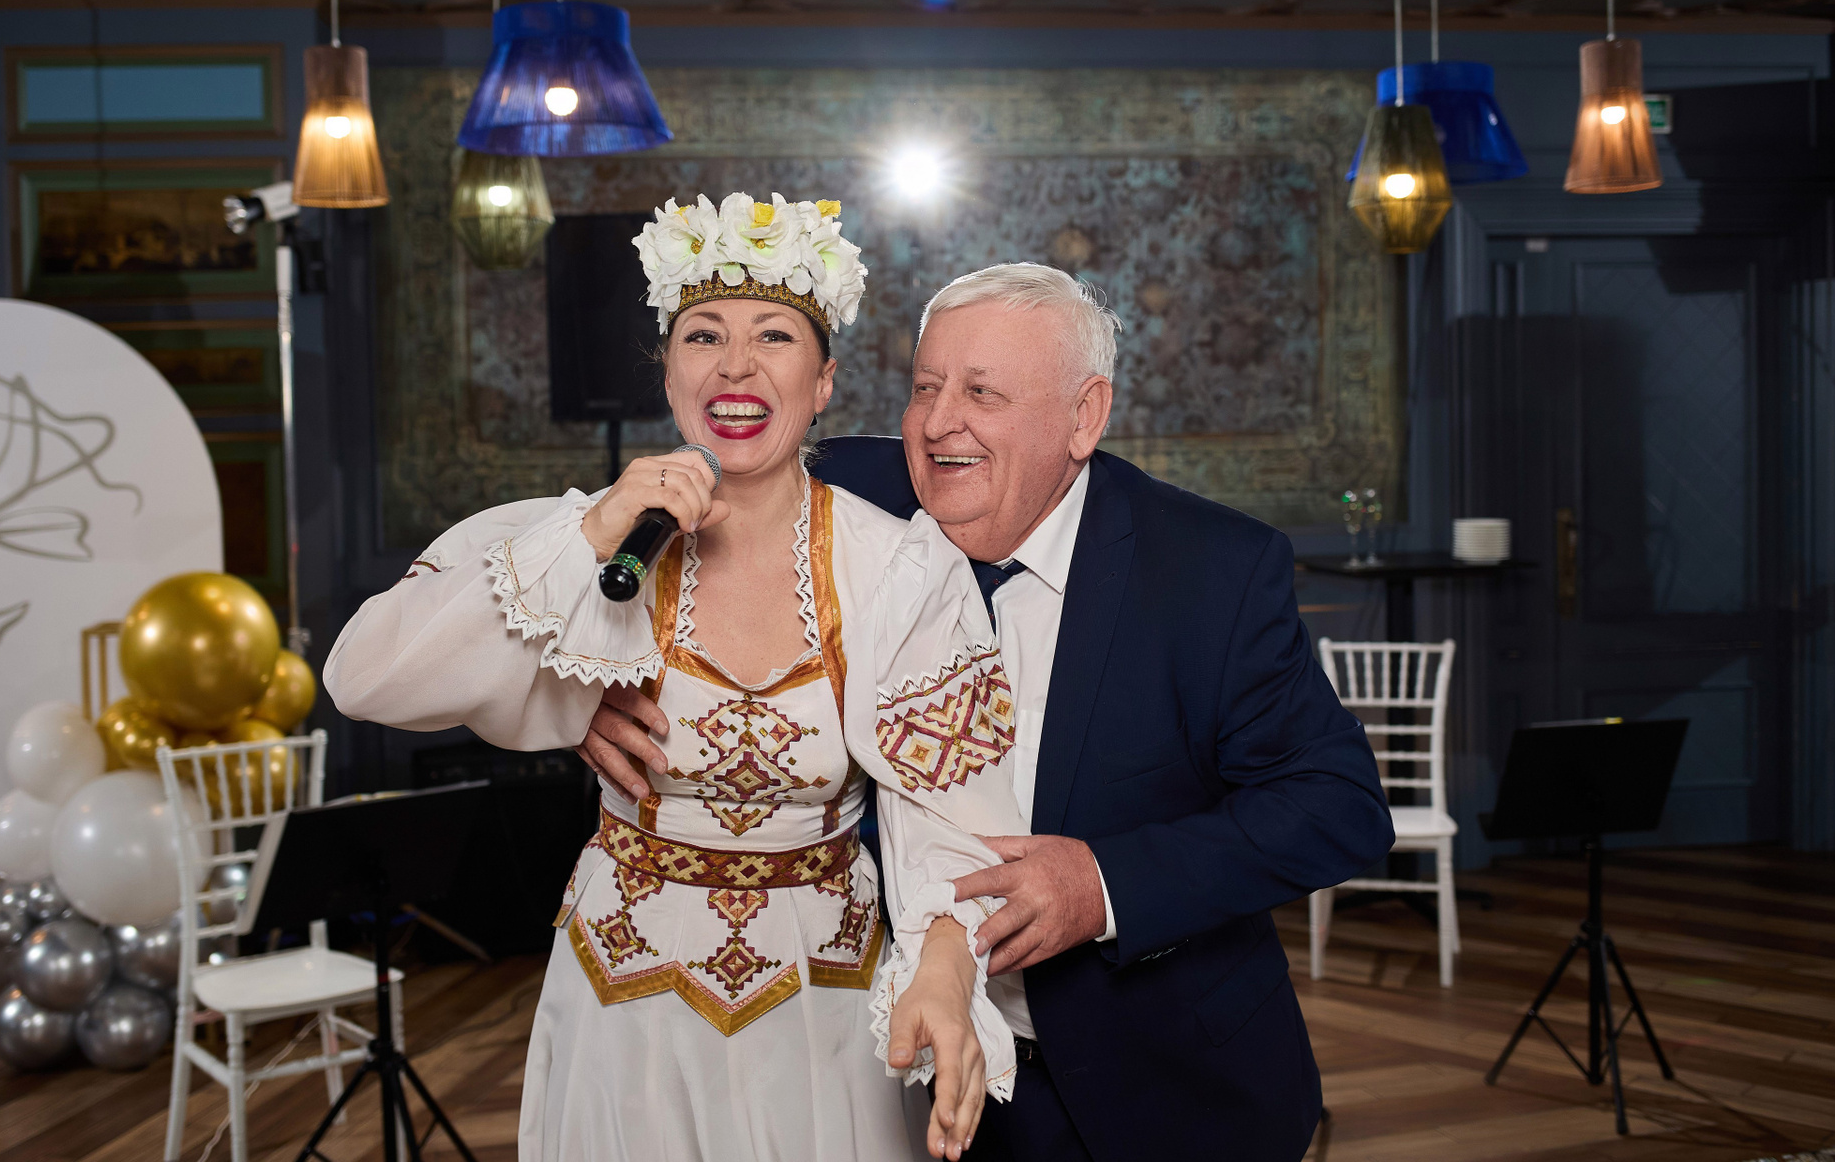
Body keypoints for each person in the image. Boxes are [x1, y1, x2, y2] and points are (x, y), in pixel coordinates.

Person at [577, 263, 1396, 1161]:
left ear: (1084, 416)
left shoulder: (1210, 570)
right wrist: (584, 685)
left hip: (1168, 1086)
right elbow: (630, 539)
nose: (938, 424)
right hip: (908, 1077)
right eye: (925, 387)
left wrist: (1102, 886)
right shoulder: (841, 494)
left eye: (982, 393)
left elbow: (1338, 806)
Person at [323, 196, 1033, 1162]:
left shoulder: (898, 569)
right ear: (669, 374)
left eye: (774, 335)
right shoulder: (594, 544)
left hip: (823, 1008)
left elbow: (959, 817)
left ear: (823, 382)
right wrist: (589, 545)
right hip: (625, 1002)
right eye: (703, 336)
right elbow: (363, 676)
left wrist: (944, 967)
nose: (735, 365)